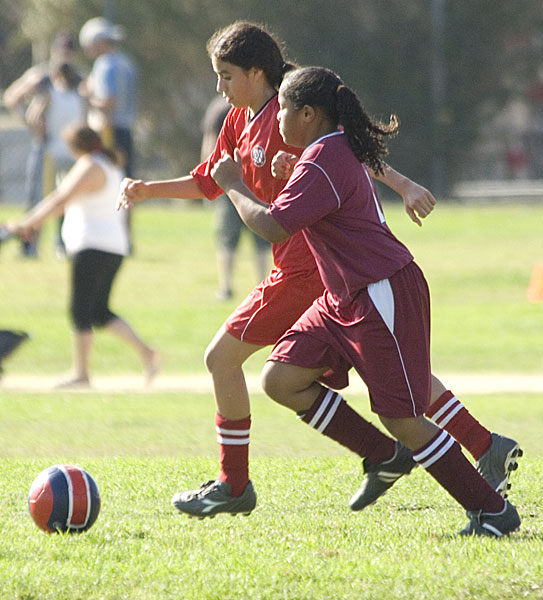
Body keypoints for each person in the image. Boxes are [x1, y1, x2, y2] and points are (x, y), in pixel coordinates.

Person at [117, 22, 519, 521]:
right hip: (331, 279)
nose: (218, 87)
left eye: (226, 75)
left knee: (224, 359)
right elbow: (211, 180)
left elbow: (345, 153)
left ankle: (236, 483)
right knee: (376, 373)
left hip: (309, 272)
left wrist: (402, 183)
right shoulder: (240, 119)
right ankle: (476, 445)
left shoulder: (295, 116)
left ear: (256, 73)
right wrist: (147, 190)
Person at [210, 65, 521, 537]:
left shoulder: (323, 158)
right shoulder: (326, 151)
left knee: (403, 417)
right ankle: (386, 454)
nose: (277, 118)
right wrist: (293, 171)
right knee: (281, 378)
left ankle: (492, 510)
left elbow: (273, 226)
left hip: (380, 290)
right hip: (342, 298)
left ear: (308, 114)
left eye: (285, 110)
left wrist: (232, 183)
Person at [8, 125, 158, 388]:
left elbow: (60, 199)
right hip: (113, 246)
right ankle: (147, 354)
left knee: (80, 311)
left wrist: (28, 224)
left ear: (75, 146)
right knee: (99, 311)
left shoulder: (90, 166)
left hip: (93, 245)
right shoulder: (110, 166)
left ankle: (81, 374)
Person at [3, 32, 81, 257]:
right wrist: (33, 124)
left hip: (70, 149)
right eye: (61, 51)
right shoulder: (42, 78)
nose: (65, 56)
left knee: (67, 197)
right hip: (45, 147)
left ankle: (62, 244)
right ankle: (29, 246)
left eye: (69, 52)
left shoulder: (78, 78)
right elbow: (13, 97)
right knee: (37, 198)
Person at [201, 95, 270, 300]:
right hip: (242, 184)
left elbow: (208, 147)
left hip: (237, 184)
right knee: (238, 237)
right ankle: (250, 287)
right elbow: (210, 146)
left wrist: (208, 184)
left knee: (236, 236)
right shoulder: (255, 106)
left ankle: (229, 287)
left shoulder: (221, 108)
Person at [79, 17, 138, 179]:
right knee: (125, 177)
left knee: (111, 178)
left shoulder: (105, 64)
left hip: (109, 132)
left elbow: (109, 102)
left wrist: (87, 97)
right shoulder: (127, 62)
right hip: (126, 130)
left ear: (100, 43)